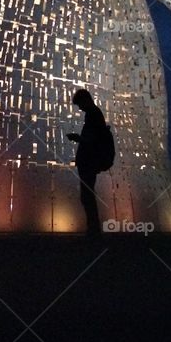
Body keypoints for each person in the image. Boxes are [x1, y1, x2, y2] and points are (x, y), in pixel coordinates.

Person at [66, 88, 106, 236]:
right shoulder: (94, 114)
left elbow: (93, 139)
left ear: (85, 100)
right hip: (90, 160)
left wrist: (78, 138)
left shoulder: (93, 114)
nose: (80, 108)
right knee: (87, 194)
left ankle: (94, 229)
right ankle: (93, 228)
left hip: (89, 161)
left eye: (80, 105)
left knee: (87, 195)